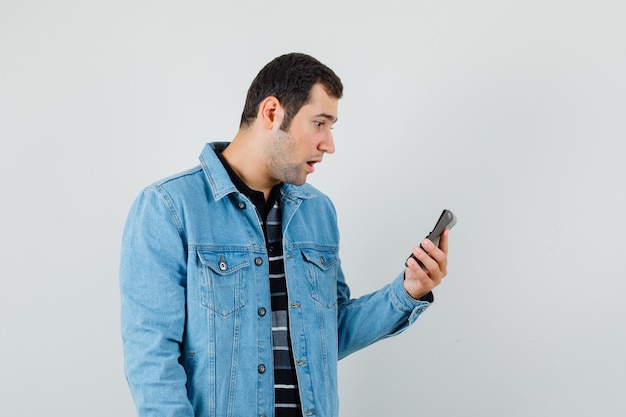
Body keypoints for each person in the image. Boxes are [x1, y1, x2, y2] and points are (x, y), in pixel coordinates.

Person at [119, 52, 450, 417]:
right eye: (319, 123)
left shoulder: (318, 212)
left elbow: (327, 333)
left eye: (331, 127)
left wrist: (407, 292)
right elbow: (152, 359)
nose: (329, 144)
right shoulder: (168, 207)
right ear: (272, 113)